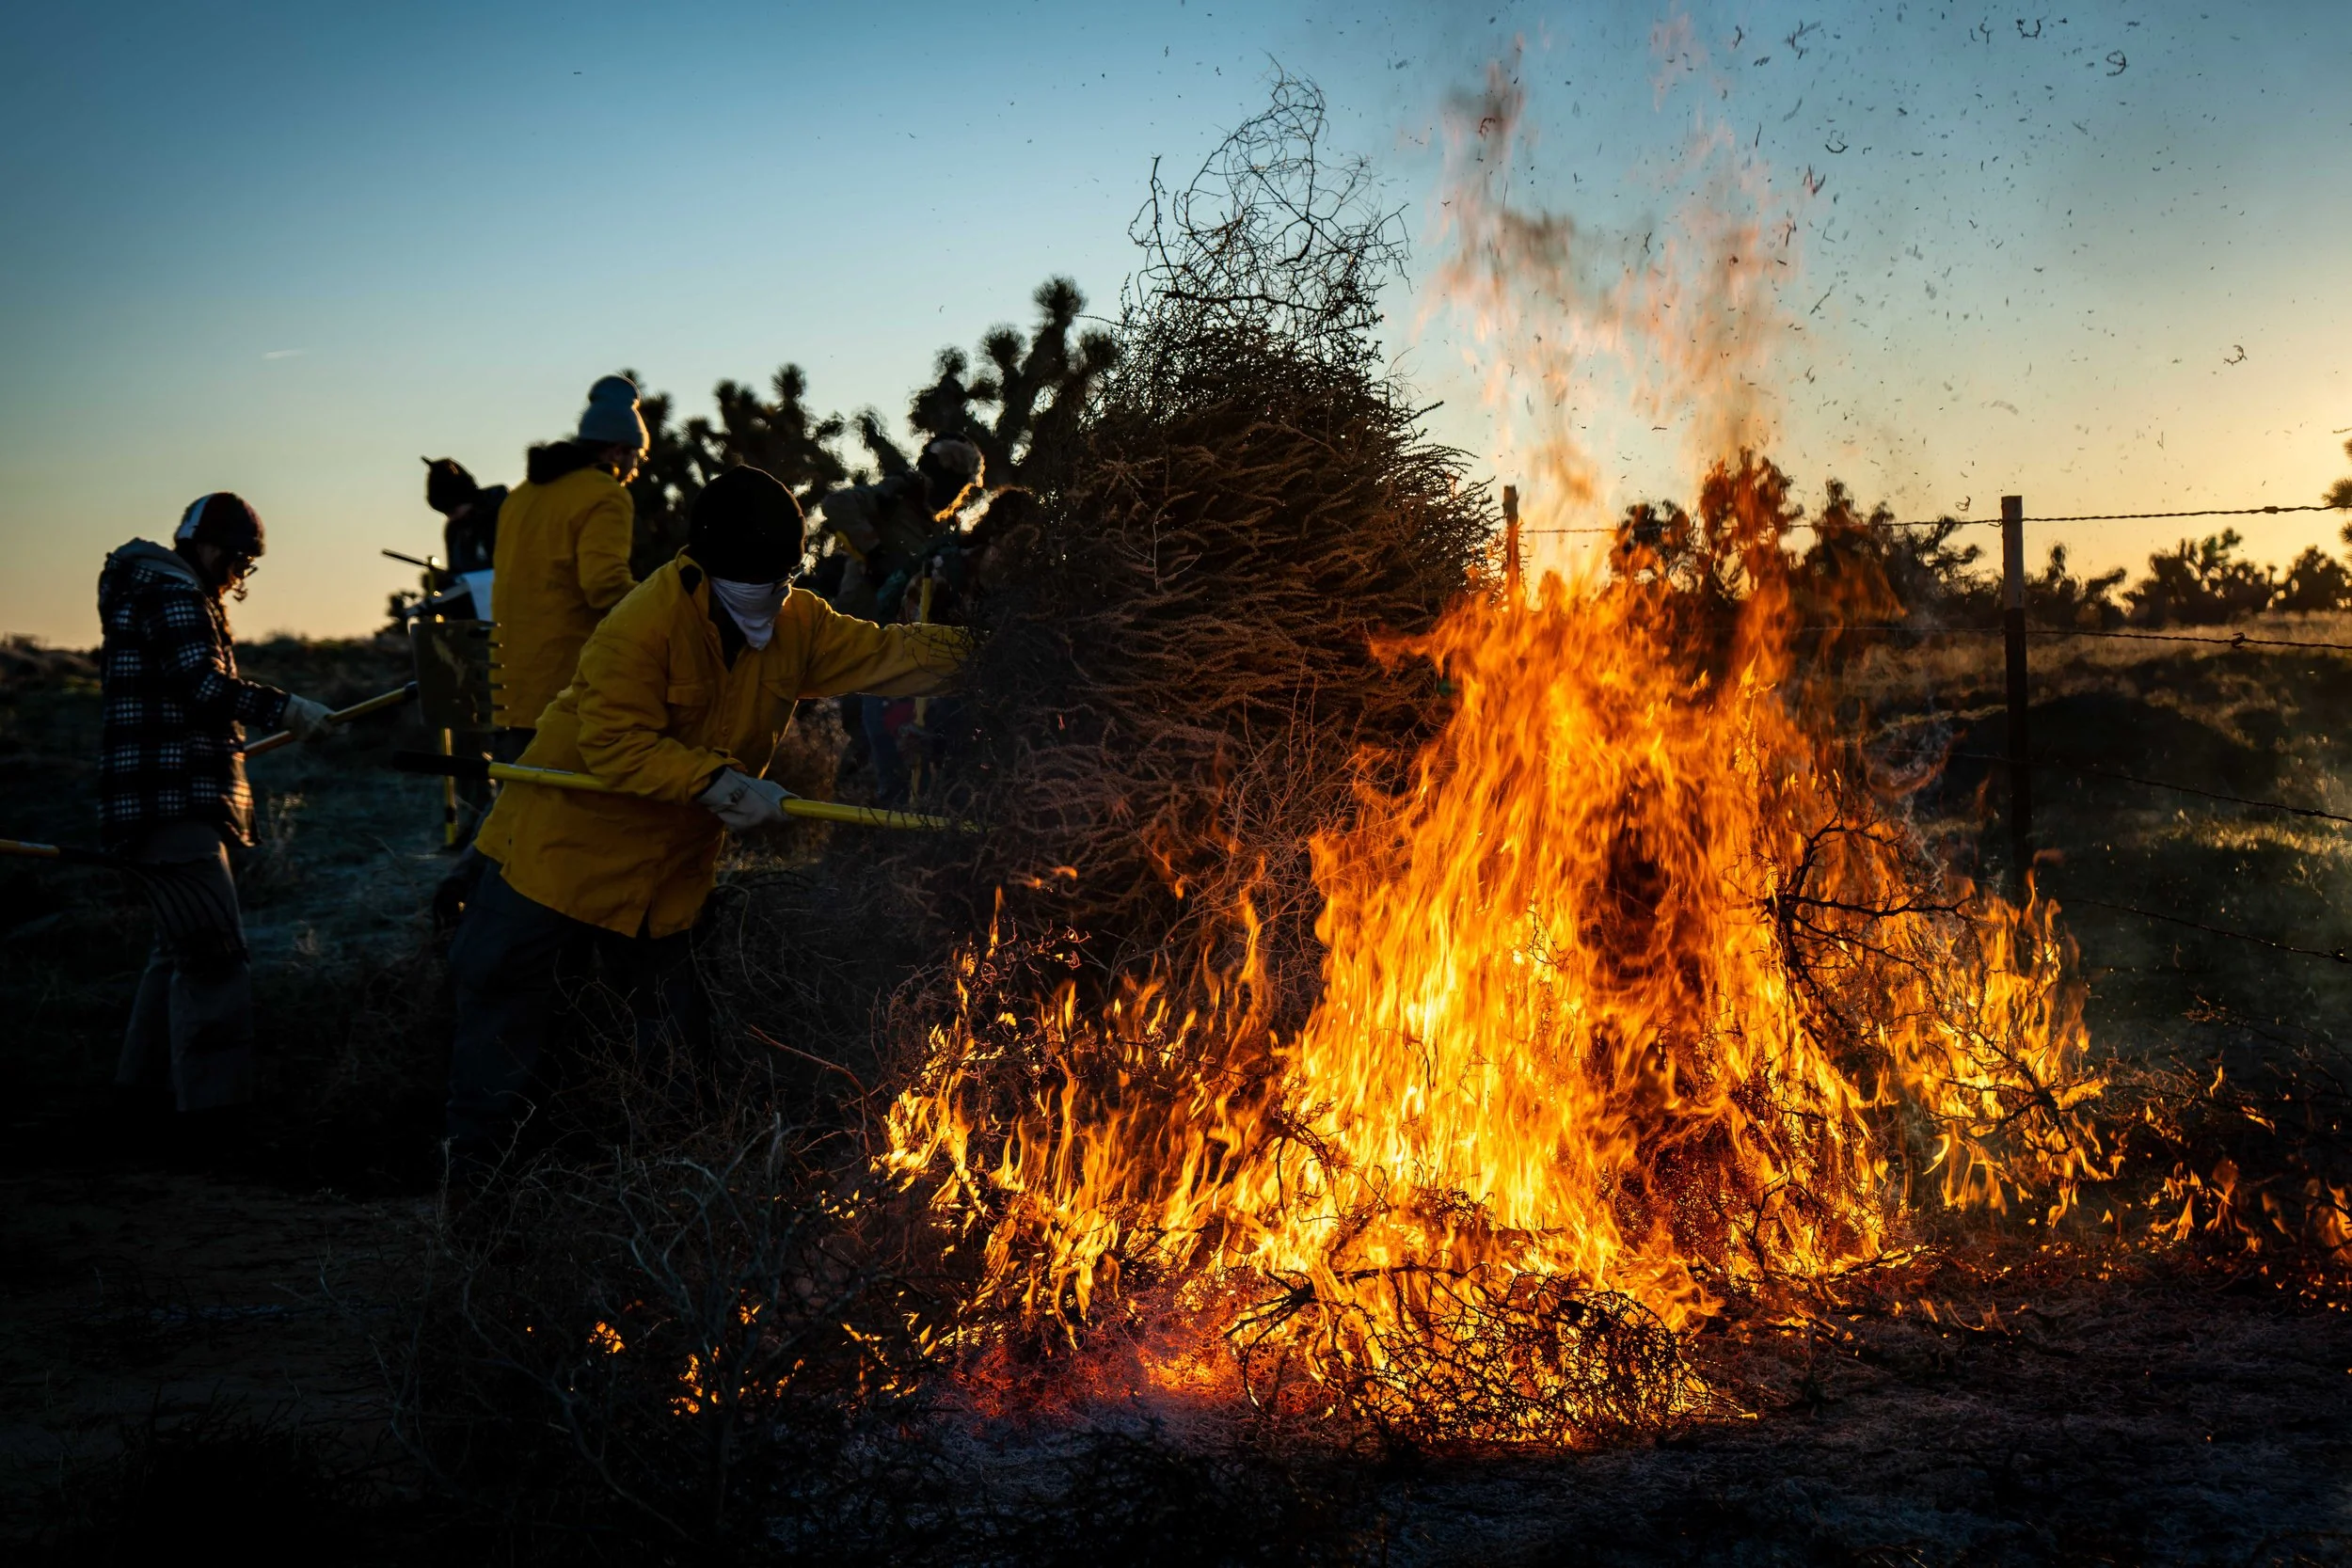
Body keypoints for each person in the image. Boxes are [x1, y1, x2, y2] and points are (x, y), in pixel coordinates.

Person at [444, 466, 968, 1167]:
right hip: (556, 858)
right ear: (709, 560)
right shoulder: (642, 624)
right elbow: (613, 742)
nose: (770, 593)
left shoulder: (796, 621)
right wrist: (717, 782)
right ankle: (480, 1223)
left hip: (666, 883)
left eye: (783, 576)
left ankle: (671, 1205)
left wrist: (999, 654)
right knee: (505, 1049)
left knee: (676, 1062)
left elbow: (885, 653)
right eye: (757, 576)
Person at [97, 493, 338, 1130]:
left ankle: (137, 1100)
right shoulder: (175, 594)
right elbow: (201, 685)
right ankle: (213, 1117)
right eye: (238, 562)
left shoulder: (154, 587)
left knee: (177, 951)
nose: (238, 577)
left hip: (156, 796)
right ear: (209, 549)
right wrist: (286, 708)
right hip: (173, 798)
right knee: (213, 957)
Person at [489, 373, 646, 759]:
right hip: (567, 687)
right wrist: (664, 607)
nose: (635, 470)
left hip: (509, 685)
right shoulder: (605, 496)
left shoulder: (522, 496)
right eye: (637, 458)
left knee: (516, 809)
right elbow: (604, 587)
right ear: (616, 451)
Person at [816, 436, 984, 792]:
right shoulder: (894, 496)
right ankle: (856, 821)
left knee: (892, 737)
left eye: (962, 484)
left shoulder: (940, 529)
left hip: (899, 645)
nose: (955, 491)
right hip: (859, 632)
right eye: (953, 479)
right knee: (865, 732)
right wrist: (874, 551)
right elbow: (837, 504)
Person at [421, 456, 509, 618]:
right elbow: (457, 572)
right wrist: (446, 588)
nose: (450, 518)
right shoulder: (455, 529)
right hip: (476, 620)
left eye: (452, 511)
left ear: (466, 497)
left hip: (511, 612)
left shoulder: (504, 514)